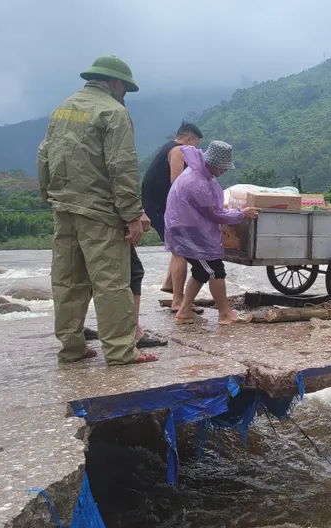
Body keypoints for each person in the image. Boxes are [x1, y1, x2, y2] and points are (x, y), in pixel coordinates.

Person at [37, 55, 158, 365]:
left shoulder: (62, 108)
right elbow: (122, 166)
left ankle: (72, 348)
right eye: (125, 88)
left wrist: (49, 196)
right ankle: (120, 351)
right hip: (100, 213)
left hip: (64, 208)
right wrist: (131, 214)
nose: (125, 94)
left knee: (68, 281)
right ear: (116, 83)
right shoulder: (113, 112)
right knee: (111, 283)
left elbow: (44, 154)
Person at [164, 141, 259, 325]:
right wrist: (241, 214)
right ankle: (224, 314)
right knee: (215, 270)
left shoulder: (198, 175)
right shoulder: (197, 182)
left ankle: (184, 311)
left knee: (201, 271)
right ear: (214, 163)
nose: (225, 170)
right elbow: (214, 214)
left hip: (188, 230)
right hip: (189, 234)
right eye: (223, 166)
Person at [140, 121, 204, 303]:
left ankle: (169, 283)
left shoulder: (168, 147)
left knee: (177, 246)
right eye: (196, 145)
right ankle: (178, 300)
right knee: (180, 249)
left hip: (156, 205)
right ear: (188, 139)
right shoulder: (178, 150)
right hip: (159, 207)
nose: (195, 150)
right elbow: (177, 182)